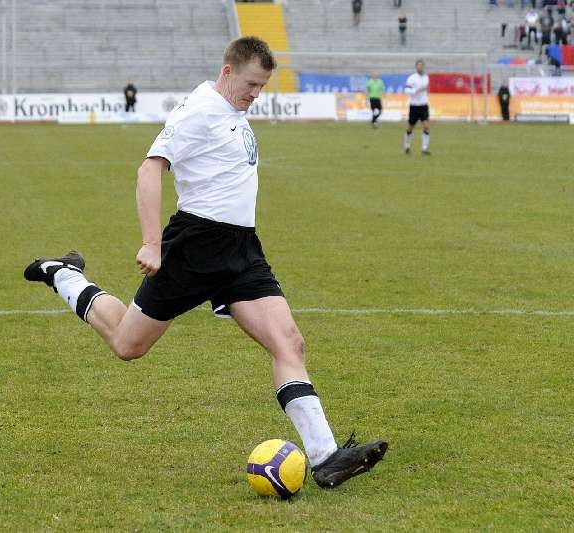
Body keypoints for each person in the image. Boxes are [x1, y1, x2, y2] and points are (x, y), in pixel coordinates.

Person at [23, 36, 387, 490]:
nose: (256, 93)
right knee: (127, 344)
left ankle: (326, 457)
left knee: (289, 343)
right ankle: (64, 273)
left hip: (241, 249)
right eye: (252, 83)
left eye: (263, 86)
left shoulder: (234, 111)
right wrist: (152, 243)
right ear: (228, 72)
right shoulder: (200, 111)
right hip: (195, 246)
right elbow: (149, 169)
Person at [403, 59, 430, 155]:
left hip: (423, 105)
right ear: (416, 67)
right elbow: (406, 90)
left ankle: (424, 148)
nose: (420, 67)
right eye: (419, 66)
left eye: (422, 66)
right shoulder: (411, 78)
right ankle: (407, 146)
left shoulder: (426, 77)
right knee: (410, 127)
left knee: (426, 126)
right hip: (414, 105)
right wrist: (416, 90)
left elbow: (427, 90)